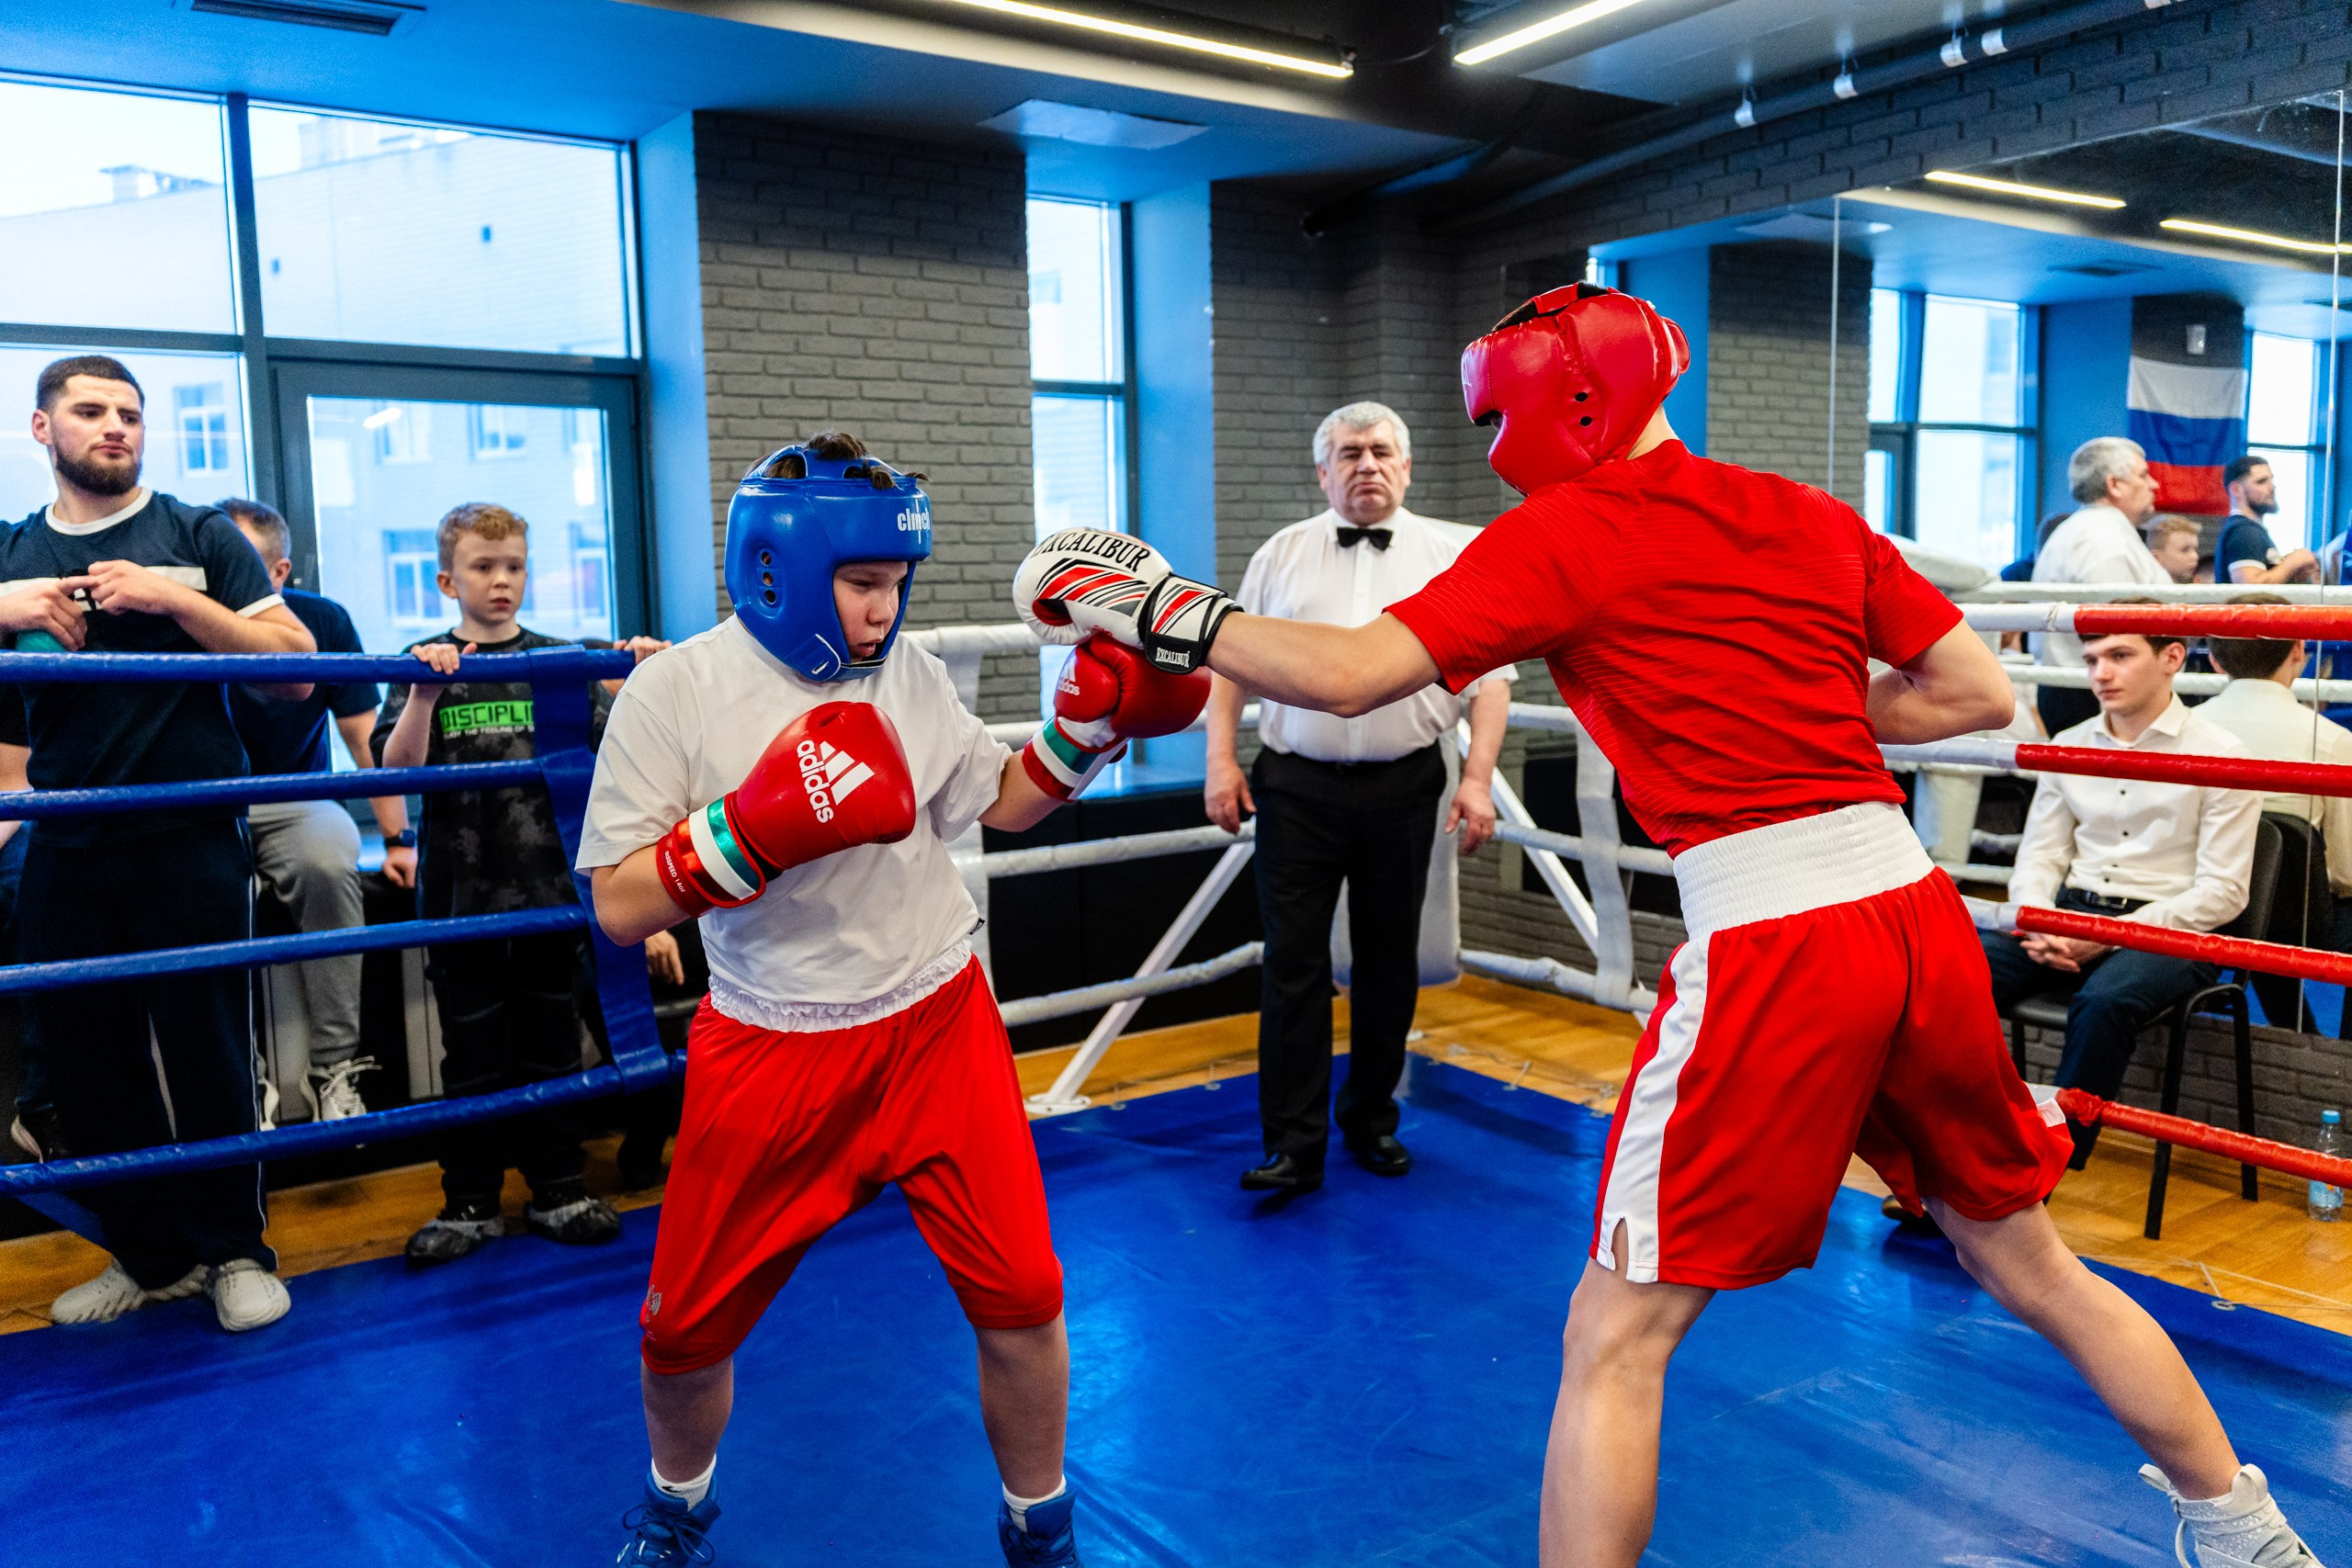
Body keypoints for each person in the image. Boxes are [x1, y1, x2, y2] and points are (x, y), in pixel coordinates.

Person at [1012, 287, 2325, 1568]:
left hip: (1778, 938)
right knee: (2029, 1256)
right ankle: (2242, 1526)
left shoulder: (1562, 533)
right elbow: (1976, 691)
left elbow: (1356, 673)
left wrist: (1160, 604)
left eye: (1488, 419)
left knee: (1615, 1333)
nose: (1485, 446)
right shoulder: (1805, 508)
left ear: (1553, 401)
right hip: (1913, 912)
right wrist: (1782, 699)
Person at [581, 430, 1203, 1568]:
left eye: (896, 583)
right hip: (772, 1046)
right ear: (774, 566)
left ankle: (1040, 1527)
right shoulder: (675, 692)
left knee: (1023, 1294)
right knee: (681, 1331)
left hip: (935, 1024)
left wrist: (1089, 727)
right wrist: (743, 834)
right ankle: (677, 1510)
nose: (884, 608)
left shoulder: (905, 673)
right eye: (863, 583)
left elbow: (999, 803)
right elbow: (620, 908)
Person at [0, 355, 317, 1334]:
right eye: (89, 411)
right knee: (88, 1058)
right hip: (66, 833)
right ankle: (151, 1256)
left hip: (187, 825)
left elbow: (298, 673)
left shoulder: (195, 533)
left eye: (129, 413)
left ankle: (234, 1252)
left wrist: (177, 601)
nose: (115, 427)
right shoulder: (11, 553)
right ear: (43, 430)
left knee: (205, 1044)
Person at [1205, 400, 1513, 1192]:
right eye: (1349, 453)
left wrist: (1478, 778)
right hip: (1296, 783)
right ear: (1323, 471)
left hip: (1404, 781)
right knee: (1293, 963)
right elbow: (1231, 665)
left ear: (1406, 467)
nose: (1366, 464)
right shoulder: (1280, 553)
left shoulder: (1454, 554)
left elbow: (1491, 680)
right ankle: (1293, 1145)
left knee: (1387, 961)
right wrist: (1220, 763)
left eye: (1381, 451)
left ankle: (1372, 1120)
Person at [374, 502, 662, 1265]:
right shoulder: (422, 658)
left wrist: (633, 675)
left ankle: (559, 1185)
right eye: (482, 567)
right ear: (447, 578)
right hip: (462, 899)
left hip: (549, 894)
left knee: (549, 1045)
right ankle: (468, 1201)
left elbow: (622, 759)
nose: (501, 582)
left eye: (513, 567)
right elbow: (393, 770)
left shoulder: (558, 659)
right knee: (471, 1054)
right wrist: (424, 693)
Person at [1981, 608, 2261, 1162]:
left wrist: (2105, 935)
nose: (2100, 673)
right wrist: (2039, 920)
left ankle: (2040, 1165)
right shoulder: (2069, 742)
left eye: (2119, 655)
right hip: (2069, 917)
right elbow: (2040, 855)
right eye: (2090, 659)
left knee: (2103, 1003)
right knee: (1956, 973)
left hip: (2173, 929)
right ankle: (1962, 1144)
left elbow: (2224, 893)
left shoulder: (2223, 753)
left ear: (2172, 658)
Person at [220, 497, 416, 1122]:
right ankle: (243, 1081)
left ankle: (334, 1068)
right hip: (199, 807)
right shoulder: (179, 622)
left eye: (241, 562)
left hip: (294, 800)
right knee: (201, 890)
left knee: (332, 861)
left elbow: (366, 741)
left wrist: (399, 837)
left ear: (278, 574)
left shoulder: (322, 621)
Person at [2199, 591, 2352, 949]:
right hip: (2295, 918)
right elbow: (2347, 873)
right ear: (2298, 651)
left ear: (2215, 662)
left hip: (2198, 905)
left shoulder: (2182, 729)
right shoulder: (2331, 741)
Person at [2030, 437, 2170, 736]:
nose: (2154, 485)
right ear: (2114, 485)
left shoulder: (2087, 530)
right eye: (2143, 475)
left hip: (2083, 685)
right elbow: (2118, 628)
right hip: (2093, 692)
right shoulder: (2104, 540)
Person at [2216, 456, 2320, 587]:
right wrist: (2293, 562)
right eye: (2261, 481)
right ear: (2236, 489)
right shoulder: (2244, 531)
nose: (2272, 487)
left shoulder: (2250, 530)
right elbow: (2248, 588)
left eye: (2271, 479)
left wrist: (2291, 573)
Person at [2147, 514, 2202, 586]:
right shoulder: (2142, 595)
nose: (2195, 557)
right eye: (2185, 550)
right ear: (2156, 558)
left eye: (2195, 550)